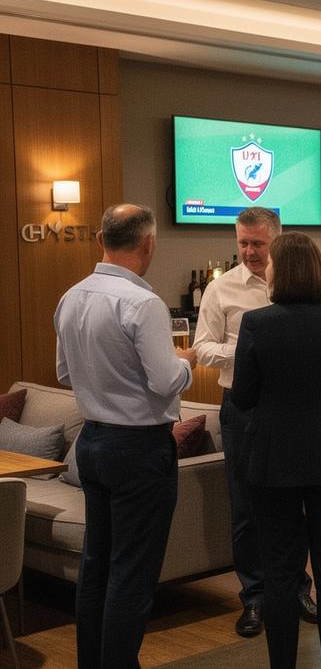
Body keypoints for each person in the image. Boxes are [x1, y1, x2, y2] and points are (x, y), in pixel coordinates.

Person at [54, 203, 197, 667]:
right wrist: (187, 364)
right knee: (132, 574)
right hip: (137, 449)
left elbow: (63, 374)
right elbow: (164, 381)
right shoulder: (142, 303)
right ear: (149, 243)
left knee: (96, 565)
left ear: (101, 241)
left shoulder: (72, 295)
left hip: (91, 443)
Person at [230, 233, 321, 669]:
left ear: (278, 271)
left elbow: (244, 396)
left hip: (273, 461)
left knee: (280, 572)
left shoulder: (257, 323)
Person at [192, 206, 316, 637]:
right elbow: (203, 349)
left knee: (295, 501)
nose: (248, 251)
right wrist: (249, 352)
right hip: (241, 408)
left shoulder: (297, 286)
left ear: (276, 241)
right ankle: (256, 598)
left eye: (257, 244)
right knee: (246, 506)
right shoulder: (220, 289)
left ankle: (298, 587)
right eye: (242, 243)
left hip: (291, 409)